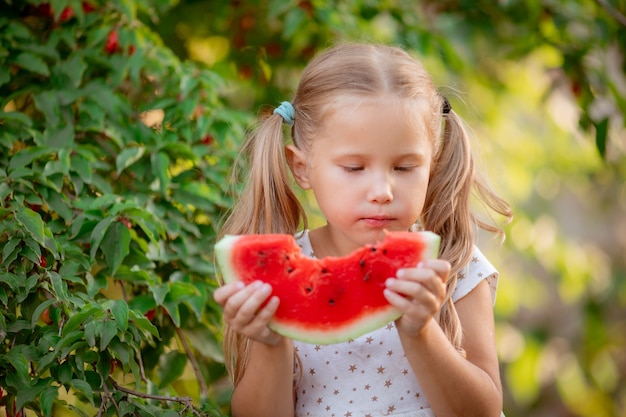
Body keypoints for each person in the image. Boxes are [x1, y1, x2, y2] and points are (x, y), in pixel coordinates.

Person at [213, 43, 512, 417]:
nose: (382, 193)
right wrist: (271, 343)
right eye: (354, 168)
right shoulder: (274, 280)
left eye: (404, 168)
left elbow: (484, 410)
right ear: (302, 168)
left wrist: (421, 332)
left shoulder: (455, 265)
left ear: (431, 166)